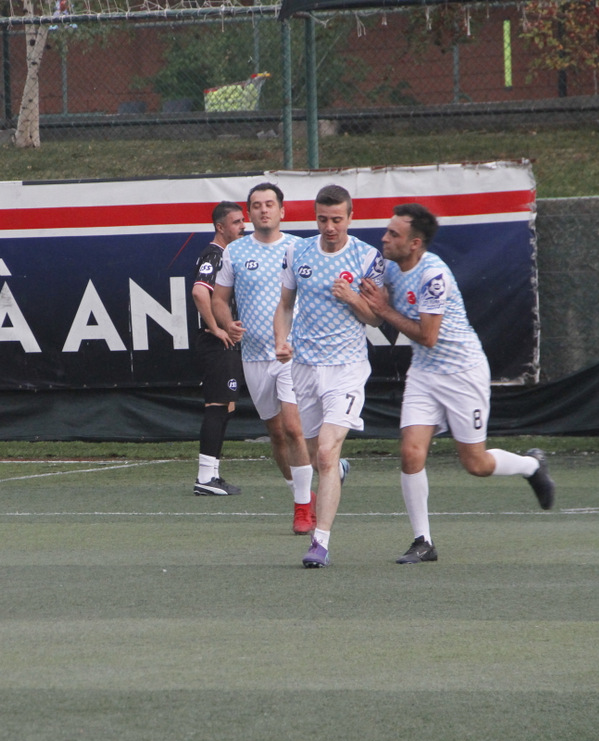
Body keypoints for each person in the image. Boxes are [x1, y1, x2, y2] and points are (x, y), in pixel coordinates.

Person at [359, 203, 554, 564]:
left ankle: (531, 466)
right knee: (410, 453)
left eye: (393, 234)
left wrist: (384, 310)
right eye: (386, 231)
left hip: (463, 372)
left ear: (415, 243)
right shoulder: (389, 266)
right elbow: (373, 307)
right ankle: (423, 542)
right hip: (424, 372)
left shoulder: (433, 276)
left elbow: (428, 336)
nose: (384, 238)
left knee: (476, 464)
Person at [273, 184, 384, 567]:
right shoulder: (298, 252)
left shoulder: (367, 257)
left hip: (346, 369)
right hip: (305, 367)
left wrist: (353, 298)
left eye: (337, 219)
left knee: (324, 451)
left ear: (350, 218)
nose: (330, 227)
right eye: (323, 219)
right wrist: (281, 340)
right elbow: (285, 305)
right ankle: (336, 469)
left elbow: (376, 318)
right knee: (313, 452)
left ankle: (320, 543)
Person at [213, 182, 324, 534]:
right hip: (254, 357)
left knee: (294, 428)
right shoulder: (234, 251)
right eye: (257, 205)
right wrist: (227, 323)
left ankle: (302, 509)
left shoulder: (300, 248)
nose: (264, 210)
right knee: (277, 435)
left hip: (292, 354)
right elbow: (219, 299)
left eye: (270, 204)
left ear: (282, 211)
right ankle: (304, 493)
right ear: (249, 213)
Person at [191, 201, 245, 495]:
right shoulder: (215, 254)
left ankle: (212, 474)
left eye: (242, 221)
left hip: (224, 341)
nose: (242, 227)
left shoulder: (229, 255)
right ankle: (204, 478)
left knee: (227, 406)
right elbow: (200, 291)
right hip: (215, 342)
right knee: (217, 405)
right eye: (236, 222)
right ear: (220, 227)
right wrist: (215, 328)